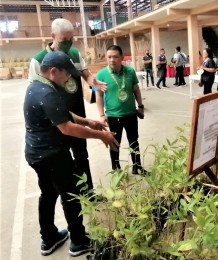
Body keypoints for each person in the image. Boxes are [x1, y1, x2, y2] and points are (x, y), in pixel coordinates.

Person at [24, 51, 119, 257]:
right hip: (52, 156)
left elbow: (62, 114)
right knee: (71, 196)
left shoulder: (37, 86)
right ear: (53, 71)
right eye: (67, 74)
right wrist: (100, 135)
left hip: (35, 154)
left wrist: (88, 121)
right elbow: (67, 127)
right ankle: (78, 241)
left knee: (48, 194)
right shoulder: (48, 93)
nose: (69, 78)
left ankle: (48, 237)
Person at [28, 18, 107, 193]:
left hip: (77, 112)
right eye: (64, 40)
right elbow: (35, 91)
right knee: (63, 159)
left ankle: (89, 192)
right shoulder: (38, 60)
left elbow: (86, 75)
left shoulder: (74, 54)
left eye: (71, 39)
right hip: (57, 119)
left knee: (82, 155)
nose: (68, 43)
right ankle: (73, 195)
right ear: (53, 36)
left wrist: (95, 83)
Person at [96, 45, 147, 175]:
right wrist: (102, 115)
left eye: (115, 57)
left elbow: (136, 89)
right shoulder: (102, 74)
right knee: (114, 143)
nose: (112, 60)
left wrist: (140, 106)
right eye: (109, 57)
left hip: (130, 114)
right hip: (113, 116)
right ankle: (116, 169)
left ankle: (137, 167)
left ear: (122, 58)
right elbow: (99, 96)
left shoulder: (129, 71)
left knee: (134, 141)